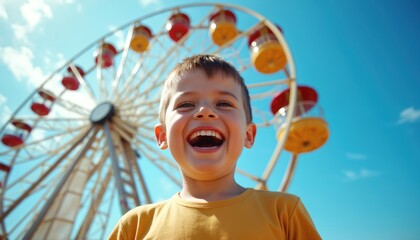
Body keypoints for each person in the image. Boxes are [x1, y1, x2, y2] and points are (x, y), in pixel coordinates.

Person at [108, 54, 322, 239]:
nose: (204, 111)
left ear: (249, 135)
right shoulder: (134, 226)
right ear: (161, 136)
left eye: (224, 103)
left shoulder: (283, 212)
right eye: (185, 104)